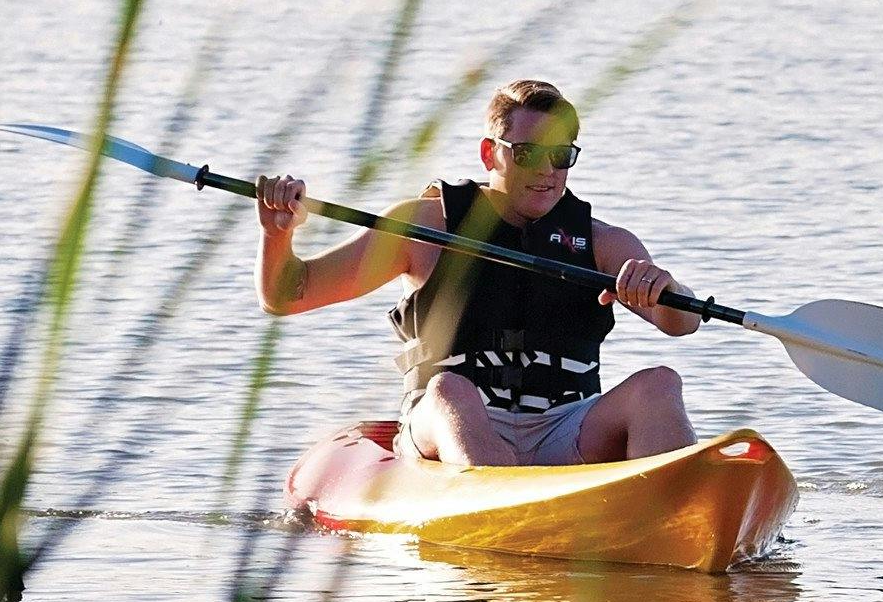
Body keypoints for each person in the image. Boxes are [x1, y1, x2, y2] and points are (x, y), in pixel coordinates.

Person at [254, 78, 700, 467]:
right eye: (527, 154)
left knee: (660, 385)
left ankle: (680, 521)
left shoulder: (603, 242)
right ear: (491, 154)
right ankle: (500, 509)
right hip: (450, 423)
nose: (547, 171)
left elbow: (681, 322)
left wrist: (664, 287)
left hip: (564, 426)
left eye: (561, 155)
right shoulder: (424, 227)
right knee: (451, 390)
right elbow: (289, 293)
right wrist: (278, 236)